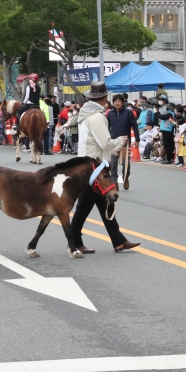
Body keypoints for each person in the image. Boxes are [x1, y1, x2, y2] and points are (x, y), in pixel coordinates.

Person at [68, 81, 139, 253]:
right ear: (104, 98)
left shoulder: (85, 114)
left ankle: (118, 240)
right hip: (95, 167)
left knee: (105, 202)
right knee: (86, 205)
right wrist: (122, 140)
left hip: (88, 164)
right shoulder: (98, 117)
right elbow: (106, 143)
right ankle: (75, 241)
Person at [106, 95, 140, 184]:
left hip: (125, 142)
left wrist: (137, 139)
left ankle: (126, 177)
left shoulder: (128, 113)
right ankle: (114, 183)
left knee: (126, 164)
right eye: (115, 101)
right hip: (113, 142)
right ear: (113, 103)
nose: (117, 103)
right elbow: (107, 127)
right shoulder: (110, 113)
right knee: (113, 164)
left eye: (119, 101)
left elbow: (135, 126)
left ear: (122, 102)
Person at [153, 96, 176, 163]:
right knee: (166, 145)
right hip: (165, 129)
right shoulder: (164, 110)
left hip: (168, 129)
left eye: (161, 99)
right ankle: (168, 158)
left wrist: (156, 113)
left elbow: (163, 117)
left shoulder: (170, 111)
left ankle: (169, 159)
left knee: (168, 145)